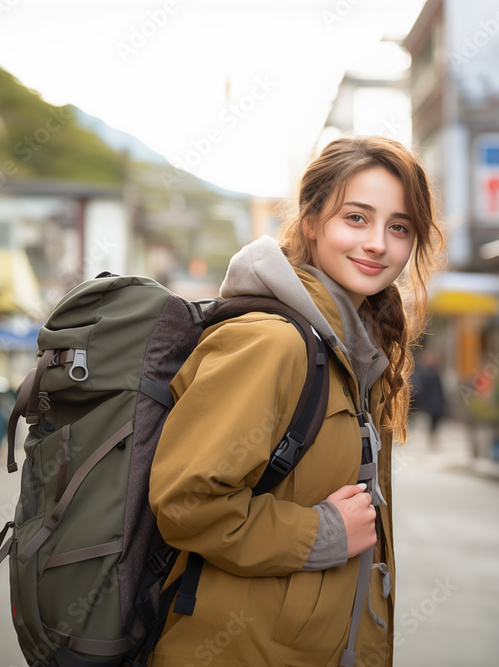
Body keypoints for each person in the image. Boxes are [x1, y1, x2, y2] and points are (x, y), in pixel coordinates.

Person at [147, 135, 444, 666]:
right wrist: (324, 532)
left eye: (399, 227)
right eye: (356, 218)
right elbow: (187, 502)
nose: (378, 243)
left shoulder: (355, 354)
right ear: (311, 222)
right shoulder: (273, 341)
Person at [411, 349, 447, 446]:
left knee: (435, 420)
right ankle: (432, 438)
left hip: (434, 400)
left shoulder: (431, 372)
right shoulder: (427, 372)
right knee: (434, 420)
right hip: (432, 401)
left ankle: (432, 438)